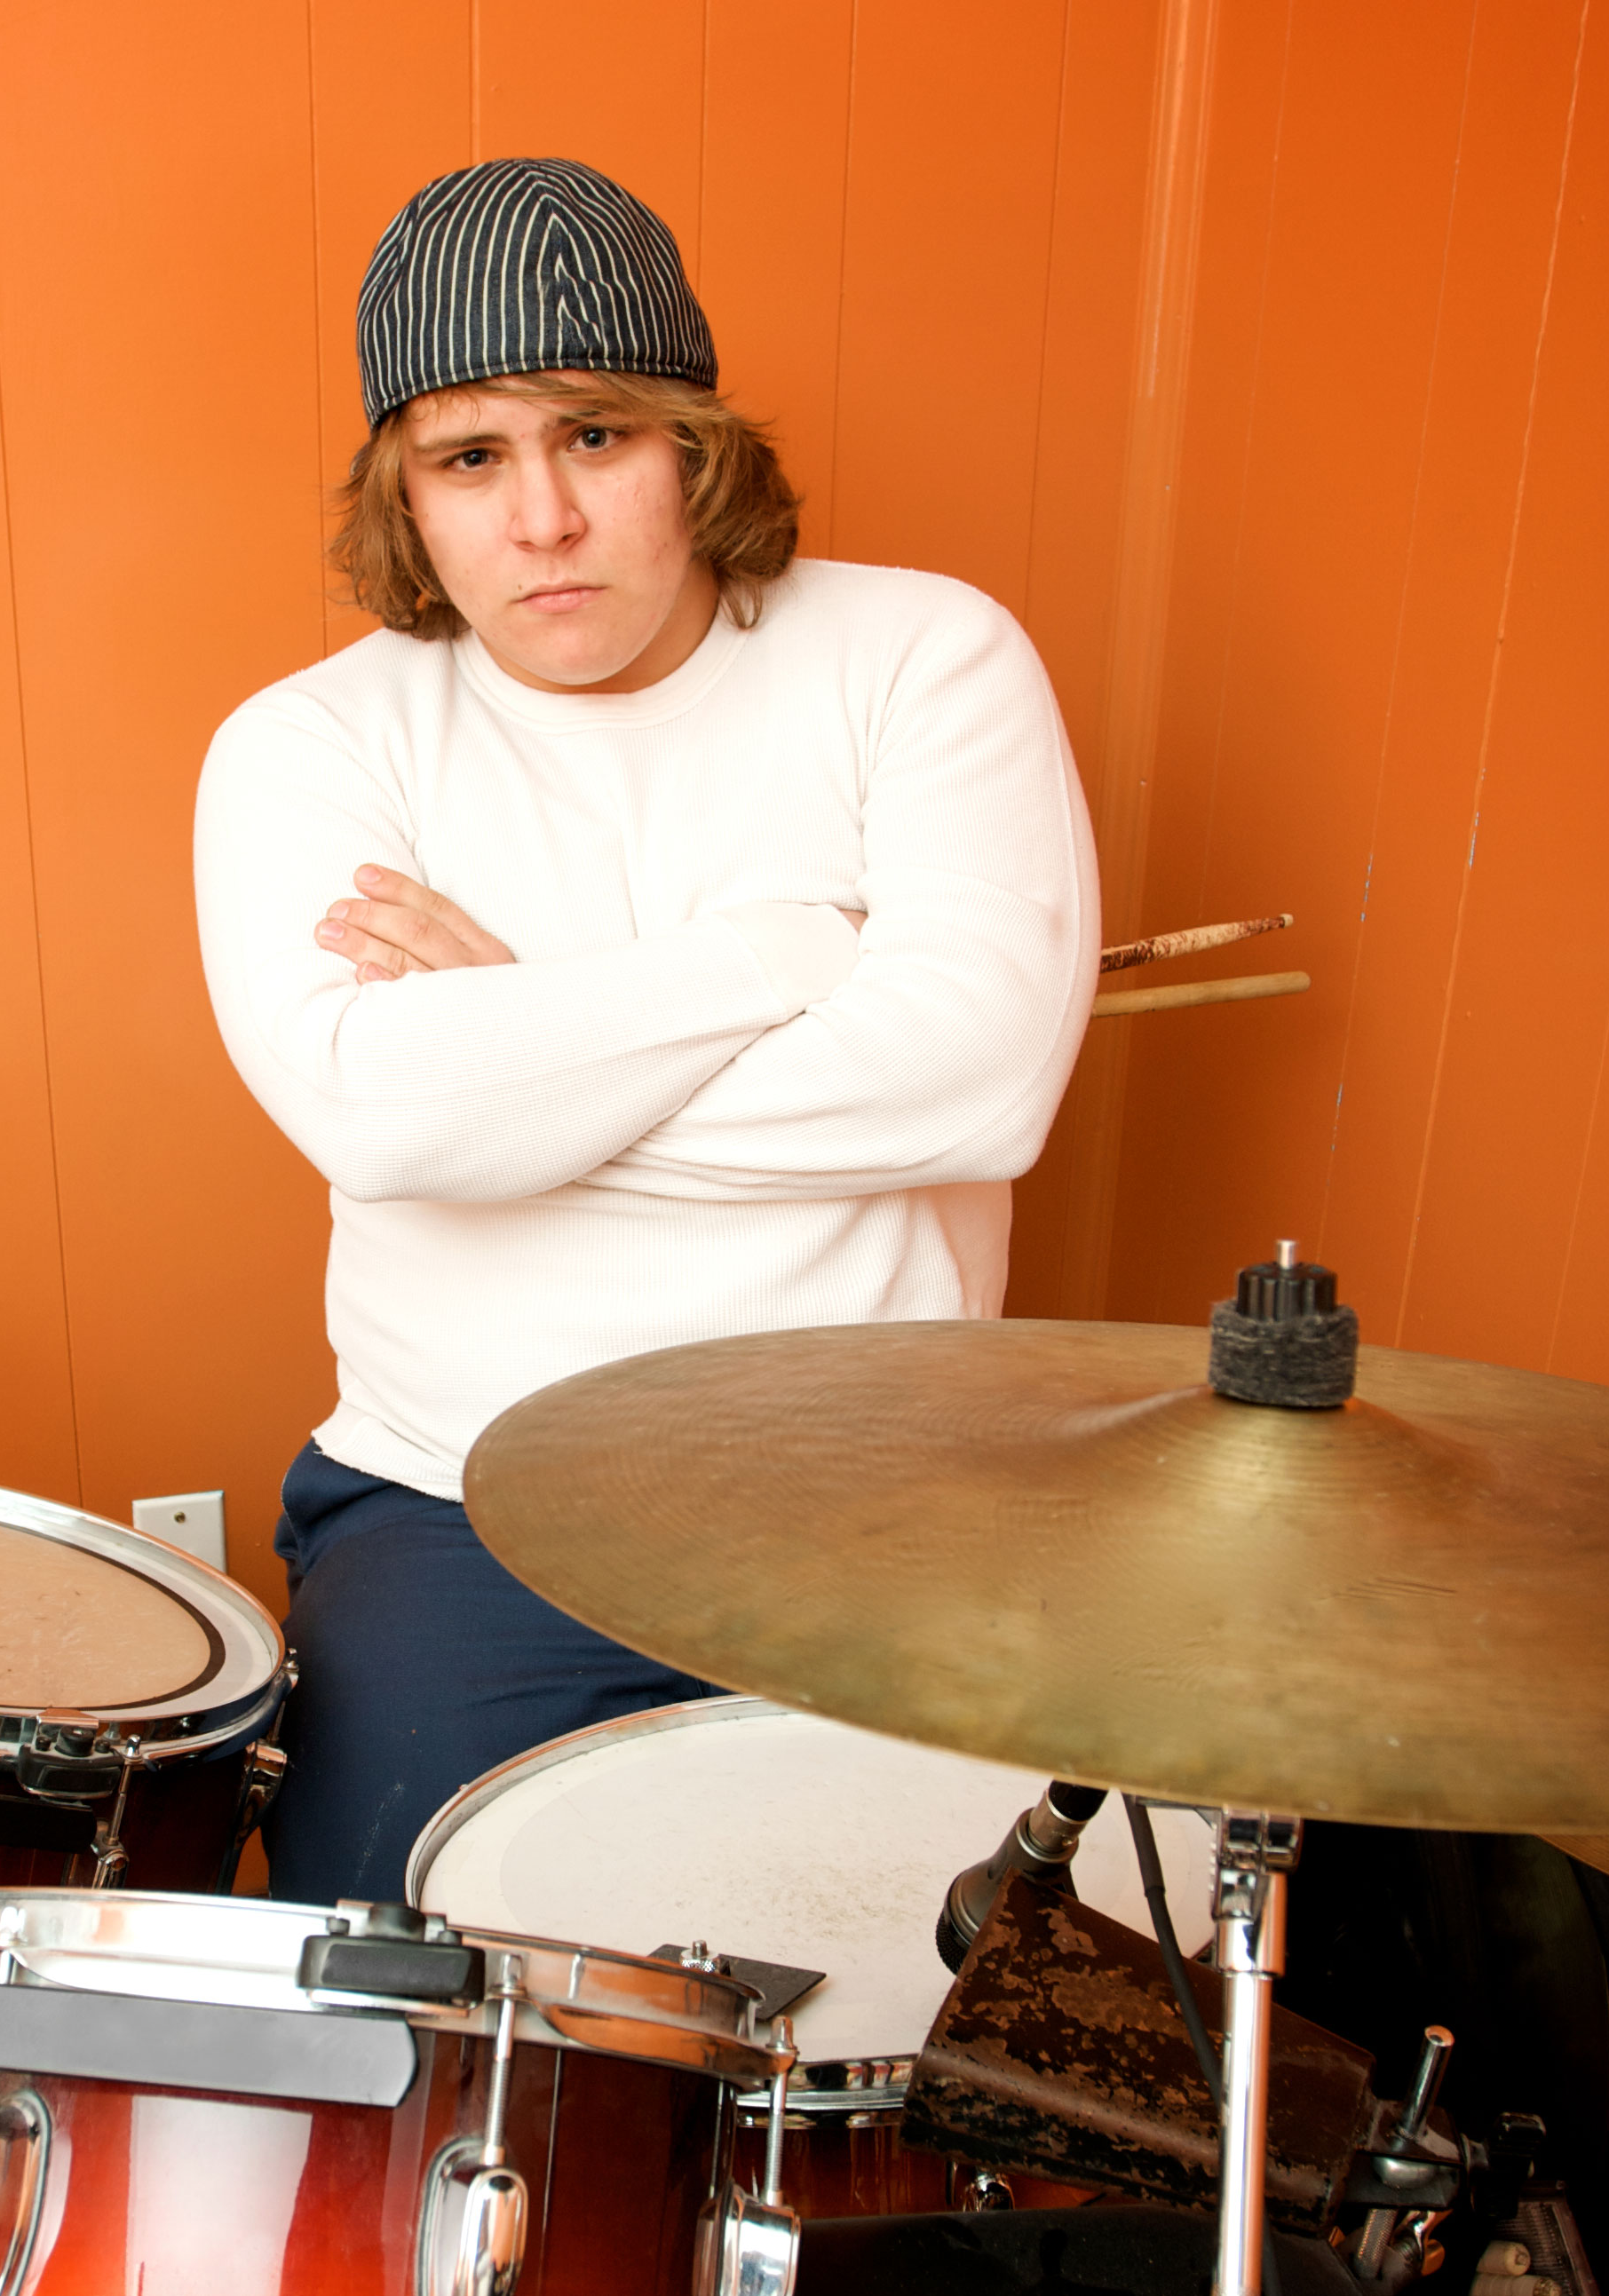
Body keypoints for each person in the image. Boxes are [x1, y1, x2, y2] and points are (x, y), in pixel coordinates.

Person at [194, 157, 1098, 1904]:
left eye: (594, 437)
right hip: (463, 1505)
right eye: (472, 458)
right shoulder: (311, 744)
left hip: (879, 1499)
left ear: (696, 448)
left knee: (981, 2006)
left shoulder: (922, 657)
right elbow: (380, 1120)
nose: (542, 518)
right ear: (409, 494)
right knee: (389, 1983)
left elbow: (976, 1087)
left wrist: (519, 1061)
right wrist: (786, 949)